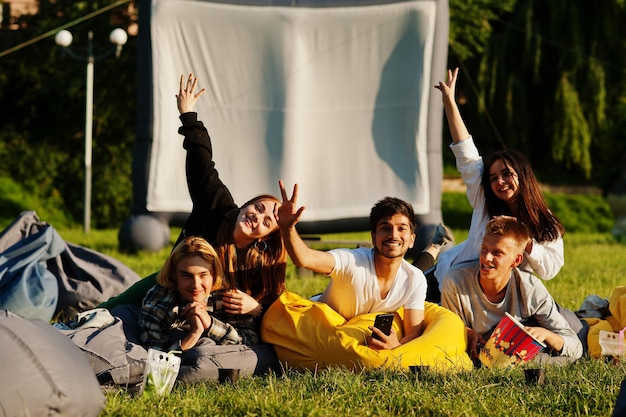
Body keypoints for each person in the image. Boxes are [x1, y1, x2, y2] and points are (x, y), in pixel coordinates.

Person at [101, 73, 288, 345]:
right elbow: (202, 162)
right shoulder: (217, 204)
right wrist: (188, 115)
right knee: (116, 308)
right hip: (172, 290)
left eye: (267, 221)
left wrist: (255, 308)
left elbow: (275, 307)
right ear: (247, 204)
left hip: (214, 314)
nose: (257, 217)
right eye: (258, 208)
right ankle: (79, 321)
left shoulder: (260, 262)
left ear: (266, 235)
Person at [426, 68, 565, 302]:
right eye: (493, 178)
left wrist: (524, 240)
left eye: (506, 174)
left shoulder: (544, 221)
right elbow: (466, 153)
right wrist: (450, 102)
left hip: (497, 298)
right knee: (406, 285)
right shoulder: (484, 201)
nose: (500, 182)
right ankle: (434, 249)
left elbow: (550, 269)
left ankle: (436, 245)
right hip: (447, 282)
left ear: (523, 177)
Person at [277, 181, 426, 350]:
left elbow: (414, 333)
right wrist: (287, 228)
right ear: (373, 237)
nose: (393, 235)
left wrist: (396, 347)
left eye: (401, 229)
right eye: (385, 228)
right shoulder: (352, 261)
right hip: (321, 329)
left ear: (412, 239)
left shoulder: (415, 279)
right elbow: (305, 259)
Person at [440, 216, 583, 365]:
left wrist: (546, 334)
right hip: (487, 352)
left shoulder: (530, 289)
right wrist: (465, 332)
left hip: (552, 325)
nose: (486, 257)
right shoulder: (455, 280)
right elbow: (448, 332)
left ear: (516, 261)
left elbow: (575, 347)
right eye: (484, 249)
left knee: (569, 350)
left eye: (497, 253)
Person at [139, 236, 242, 352]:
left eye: (203, 275)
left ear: (214, 273)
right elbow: (154, 359)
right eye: (186, 276)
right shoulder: (158, 301)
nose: (196, 285)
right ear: (174, 274)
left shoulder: (228, 296)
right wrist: (194, 333)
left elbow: (248, 345)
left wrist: (209, 324)